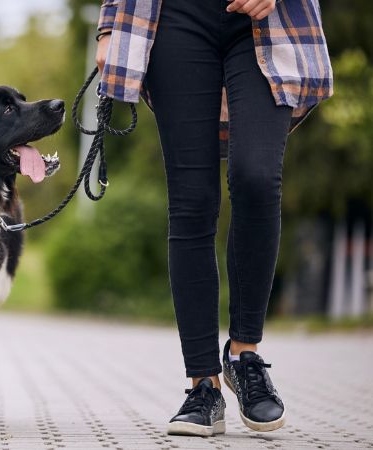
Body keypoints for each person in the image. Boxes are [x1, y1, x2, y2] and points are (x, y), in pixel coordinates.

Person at [95, 0, 333, 437]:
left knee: (258, 177)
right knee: (191, 200)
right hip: (174, 18)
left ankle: (245, 357)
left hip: (269, 19)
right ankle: (202, 386)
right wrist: (110, 24)